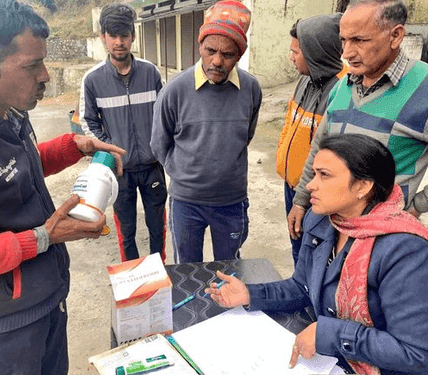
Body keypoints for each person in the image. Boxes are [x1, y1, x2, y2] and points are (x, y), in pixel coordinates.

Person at [0, 0, 126, 374]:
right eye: (32, 64)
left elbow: (12, 171)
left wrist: (72, 147)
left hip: (45, 298)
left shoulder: (4, 108)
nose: (46, 76)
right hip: (7, 325)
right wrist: (42, 237)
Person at [206, 134, 428, 375]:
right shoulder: (322, 220)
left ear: (363, 186)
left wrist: (330, 333)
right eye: (314, 174)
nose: (311, 185)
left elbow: (415, 354)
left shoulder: (404, 250)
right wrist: (250, 294)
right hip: (325, 360)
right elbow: (303, 287)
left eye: (325, 175)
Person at [287, 0, 428, 245]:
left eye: (359, 40)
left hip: (380, 239)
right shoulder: (342, 86)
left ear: (395, 36)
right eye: (344, 40)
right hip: (329, 229)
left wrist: (417, 205)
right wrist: (301, 200)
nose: (346, 53)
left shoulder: (423, 87)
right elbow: (320, 147)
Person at [151, 0, 262, 263]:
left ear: (239, 54)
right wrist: (185, 174)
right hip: (186, 203)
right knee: (187, 271)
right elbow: (159, 143)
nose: (216, 61)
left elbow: (246, 135)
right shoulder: (175, 90)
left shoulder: (251, 88)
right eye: (210, 50)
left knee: (229, 269)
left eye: (228, 54)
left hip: (231, 201)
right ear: (199, 46)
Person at [80, 3, 167, 262]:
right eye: (113, 35)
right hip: (119, 172)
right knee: (126, 232)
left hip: (152, 167)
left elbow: (165, 115)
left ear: (133, 36)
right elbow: (87, 122)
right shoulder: (93, 80)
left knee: (157, 229)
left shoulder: (150, 72)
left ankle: (158, 274)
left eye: (124, 35)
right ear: (103, 37)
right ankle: (133, 280)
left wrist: (160, 148)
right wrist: (110, 149)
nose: (119, 42)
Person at [276, 13, 347, 266]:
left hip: (317, 194)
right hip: (292, 186)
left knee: (315, 257)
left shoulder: (342, 90)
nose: (291, 57)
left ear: (316, 54)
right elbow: (288, 124)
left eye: (297, 52)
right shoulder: (305, 80)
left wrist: (305, 198)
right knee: (297, 249)